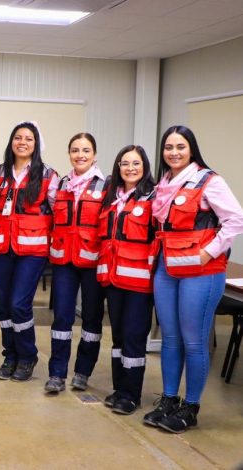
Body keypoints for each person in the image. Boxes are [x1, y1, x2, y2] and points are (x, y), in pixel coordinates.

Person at [145, 126, 243, 432]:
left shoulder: (209, 181)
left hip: (201, 271)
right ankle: (169, 400)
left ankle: (191, 406)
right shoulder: (164, 184)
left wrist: (208, 252)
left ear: (191, 149)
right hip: (167, 267)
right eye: (168, 147)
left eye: (181, 146)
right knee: (170, 339)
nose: (174, 152)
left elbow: (235, 219)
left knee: (194, 341)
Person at [0, 121, 58, 382]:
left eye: (28, 139)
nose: (22, 142)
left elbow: (57, 212)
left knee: (20, 304)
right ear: (11, 142)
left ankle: (27, 356)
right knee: (5, 306)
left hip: (32, 250)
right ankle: (10, 355)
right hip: (1, 247)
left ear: (36, 144)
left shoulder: (48, 175)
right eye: (17, 137)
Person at [45, 133, 107, 393]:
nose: (80, 155)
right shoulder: (60, 184)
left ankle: (82, 371)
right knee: (62, 317)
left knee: (92, 319)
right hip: (64, 261)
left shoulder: (107, 185)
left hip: (93, 262)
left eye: (85, 150)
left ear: (94, 154)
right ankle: (57, 374)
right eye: (75, 150)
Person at [96, 145, 156, 415]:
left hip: (139, 284)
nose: (130, 168)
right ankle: (120, 389)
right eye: (124, 163)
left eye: (136, 163)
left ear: (144, 166)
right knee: (118, 337)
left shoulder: (153, 198)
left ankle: (132, 395)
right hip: (113, 279)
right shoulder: (112, 199)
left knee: (133, 338)